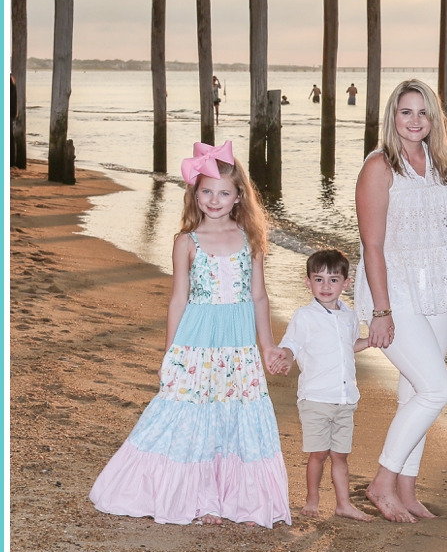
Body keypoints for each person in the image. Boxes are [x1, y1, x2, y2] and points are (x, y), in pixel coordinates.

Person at [89, 141, 292, 527]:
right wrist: (171, 354)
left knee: (236, 415)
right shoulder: (187, 241)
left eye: (223, 193)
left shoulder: (251, 240)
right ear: (195, 194)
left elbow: (259, 296)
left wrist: (267, 346)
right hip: (197, 342)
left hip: (238, 346)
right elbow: (178, 301)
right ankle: (201, 500)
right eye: (206, 192)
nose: (214, 200)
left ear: (238, 198)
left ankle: (245, 502)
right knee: (193, 414)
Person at [355, 79, 447, 523]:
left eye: (422, 112)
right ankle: (382, 482)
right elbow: (372, 245)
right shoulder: (379, 166)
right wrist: (382, 312)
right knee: (436, 388)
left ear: (434, 119)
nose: (414, 121)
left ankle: (407, 490)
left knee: (414, 390)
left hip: (441, 289)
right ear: (393, 116)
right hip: (395, 290)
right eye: (406, 112)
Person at [271, 249, 372, 522]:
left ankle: (343, 504)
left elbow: (351, 347)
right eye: (319, 279)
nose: (326, 286)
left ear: (346, 283)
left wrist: (372, 340)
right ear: (308, 282)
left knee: (340, 455)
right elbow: (291, 344)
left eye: (333, 280)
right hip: (315, 396)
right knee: (319, 453)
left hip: (345, 397)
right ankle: (312, 499)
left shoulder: (349, 317)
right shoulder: (305, 316)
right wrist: (286, 358)